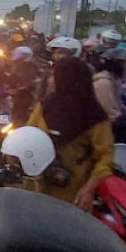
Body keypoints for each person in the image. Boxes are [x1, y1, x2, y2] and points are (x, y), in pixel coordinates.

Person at [26, 57, 114, 209]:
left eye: (56, 76)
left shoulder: (93, 116)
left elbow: (105, 157)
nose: (51, 81)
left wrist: (89, 189)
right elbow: (28, 136)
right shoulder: (45, 107)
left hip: (73, 194)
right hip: (38, 187)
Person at [93, 48, 126, 122]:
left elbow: (118, 105)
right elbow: (111, 112)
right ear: (120, 65)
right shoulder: (104, 83)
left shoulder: (114, 81)